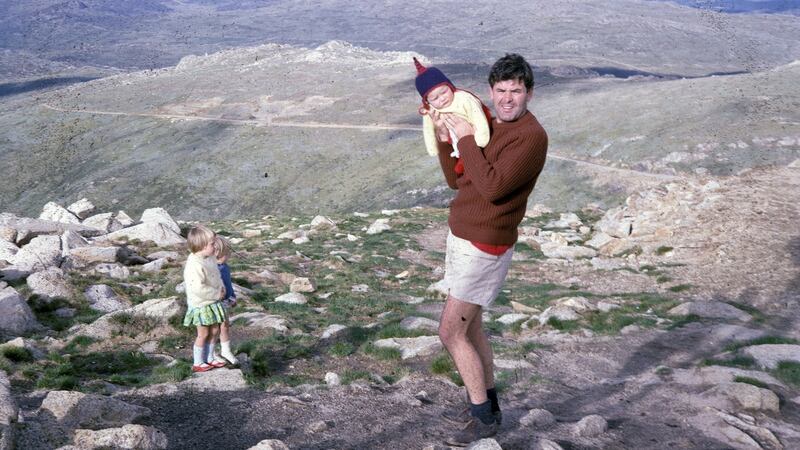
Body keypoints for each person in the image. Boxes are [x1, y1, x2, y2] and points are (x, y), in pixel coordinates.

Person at [423, 53, 548, 446]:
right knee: (470, 327)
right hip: (462, 236)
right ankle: (487, 407)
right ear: (490, 91)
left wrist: (463, 138)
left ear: (529, 93)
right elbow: (456, 181)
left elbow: (493, 189)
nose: (507, 99)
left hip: (485, 243)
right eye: (500, 90)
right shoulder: (488, 125)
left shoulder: (531, 136)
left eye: (516, 91)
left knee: (450, 332)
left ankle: (483, 420)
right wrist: (448, 141)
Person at [414, 57, 491, 176]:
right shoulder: (431, 111)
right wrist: (433, 148)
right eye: (435, 98)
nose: (442, 98)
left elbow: (478, 117)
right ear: (427, 101)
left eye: (444, 92)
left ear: (450, 86)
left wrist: (481, 139)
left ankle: (465, 164)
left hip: (475, 138)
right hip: (455, 142)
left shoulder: (464, 99)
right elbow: (428, 130)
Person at [182, 225, 228, 373]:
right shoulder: (194, 264)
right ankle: (198, 361)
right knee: (203, 333)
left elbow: (216, 275)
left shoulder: (209, 258)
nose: (215, 246)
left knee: (214, 330)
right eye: (212, 244)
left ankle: (209, 357)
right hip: (201, 304)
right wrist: (216, 294)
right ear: (201, 246)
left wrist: (221, 287)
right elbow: (197, 288)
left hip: (212, 302)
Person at [212, 235, 239, 365]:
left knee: (224, 326)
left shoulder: (224, 266)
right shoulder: (213, 269)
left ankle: (225, 350)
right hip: (214, 302)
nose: (229, 256)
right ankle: (210, 353)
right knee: (214, 328)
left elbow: (228, 283)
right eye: (227, 253)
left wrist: (232, 296)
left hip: (224, 301)